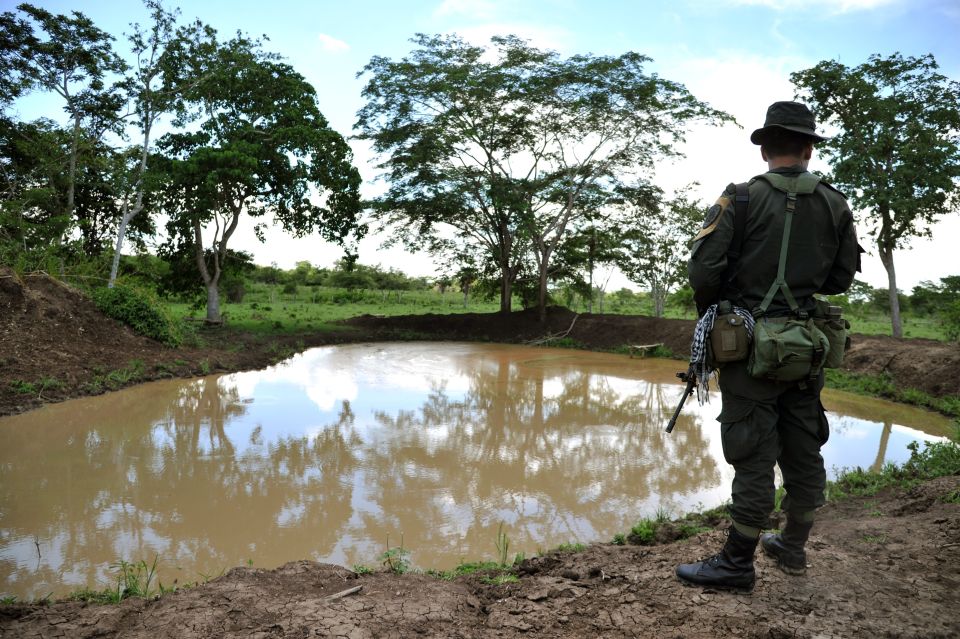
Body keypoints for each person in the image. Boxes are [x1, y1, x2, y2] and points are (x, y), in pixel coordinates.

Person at [675, 101, 861, 592]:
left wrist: (723, 308)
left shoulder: (739, 198)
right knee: (803, 448)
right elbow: (841, 279)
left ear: (765, 149)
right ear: (807, 148)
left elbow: (703, 272)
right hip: (805, 348)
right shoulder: (836, 203)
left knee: (752, 452)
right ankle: (793, 548)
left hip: (746, 346)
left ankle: (737, 563)